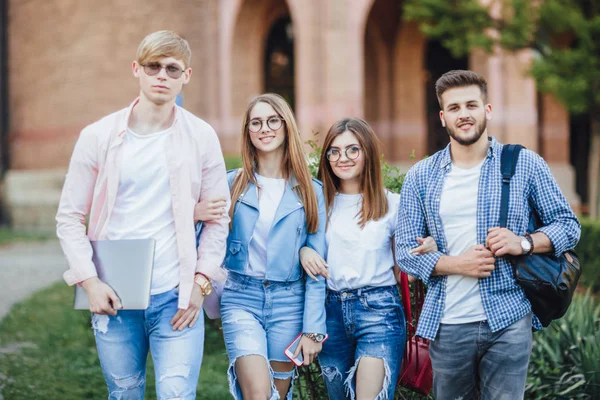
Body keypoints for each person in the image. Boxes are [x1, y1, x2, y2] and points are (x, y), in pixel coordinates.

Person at [55, 30, 230, 399]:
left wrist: (201, 284)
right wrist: (89, 282)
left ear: (187, 75)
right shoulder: (98, 136)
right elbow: (69, 217)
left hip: (176, 295)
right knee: (124, 394)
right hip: (114, 293)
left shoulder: (201, 136)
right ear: (136, 69)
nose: (162, 75)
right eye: (153, 66)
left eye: (172, 68)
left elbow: (218, 220)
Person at [395, 69, 581, 399]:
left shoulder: (525, 164)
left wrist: (523, 243)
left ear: (487, 110)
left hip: (508, 318)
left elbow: (568, 225)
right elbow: (405, 249)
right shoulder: (421, 177)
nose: (463, 114)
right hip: (448, 323)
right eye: (454, 108)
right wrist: (456, 264)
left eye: (471, 105)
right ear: (442, 117)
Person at [297, 118, 437, 400]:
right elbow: (297, 247)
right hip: (329, 313)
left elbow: (408, 264)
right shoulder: (317, 205)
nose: (342, 158)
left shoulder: (392, 204)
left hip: (379, 310)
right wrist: (303, 251)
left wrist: (430, 244)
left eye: (352, 150)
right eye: (334, 151)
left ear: (367, 153)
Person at [213, 93, 327, 400]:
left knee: (278, 392)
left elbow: (319, 267)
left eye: (273, 120)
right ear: (248, 132)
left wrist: (313, 329)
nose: (265, 128)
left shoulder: (312, 192)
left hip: (290, 302)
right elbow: (206, 240)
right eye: (256, 122)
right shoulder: (230, 185)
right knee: (258, 394)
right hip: (241, 297)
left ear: (286, 126)